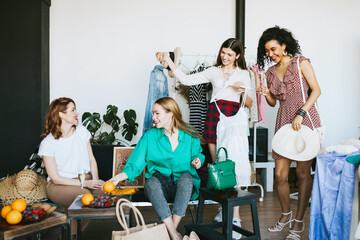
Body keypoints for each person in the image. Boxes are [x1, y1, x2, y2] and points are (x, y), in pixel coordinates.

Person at [156, 38, 253, 240]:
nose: (225, 57)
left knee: (233, 164)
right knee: (218, 166)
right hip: (214, 116)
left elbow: (250, 102)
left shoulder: (244, 74)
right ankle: (223, 210)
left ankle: (235, 217)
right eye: (223, 52)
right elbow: (185, 80)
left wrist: (241, 90)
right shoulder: (213, 71)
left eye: (230, 54)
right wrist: (170, 61)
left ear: (237, 56)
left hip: (233, 117)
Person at [256, 26, 321, 240]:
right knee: (280, 175)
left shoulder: (301, 62)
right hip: (284, 121)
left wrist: (301, 113)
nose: (270, 54)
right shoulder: (270, 73)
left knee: (302, 173)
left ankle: (299, 221)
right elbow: (275, 103)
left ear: (284, 45)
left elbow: (317, 90)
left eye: (273, 48)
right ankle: (286, 215)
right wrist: (266, 93)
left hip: (305, 119)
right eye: (267, 51)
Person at [109, 97, 204, 240]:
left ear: (171, 113)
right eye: (153, 113)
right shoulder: (150, 136)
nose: (153, 117)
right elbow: (135, 163)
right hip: (159, 189)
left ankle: (172, 232)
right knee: (151, 182)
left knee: (186, 178)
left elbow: (198, 154)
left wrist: (198, 161)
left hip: (183, 187)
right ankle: (175, 235)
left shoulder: (190, 133)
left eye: (156, 113)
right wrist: (118, 177)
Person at [38, 97, 105, 238]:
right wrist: (85, 184)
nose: (77, 113)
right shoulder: (48, 143)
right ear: (61, 115)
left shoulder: (81, 131)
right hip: (59, 185)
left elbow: (92, 159)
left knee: (103, 193)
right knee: (82, 197)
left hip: (85, 179)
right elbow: (55, 178)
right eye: (73, 109)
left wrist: (96, 181)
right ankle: (71, 236)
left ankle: (69, 236)